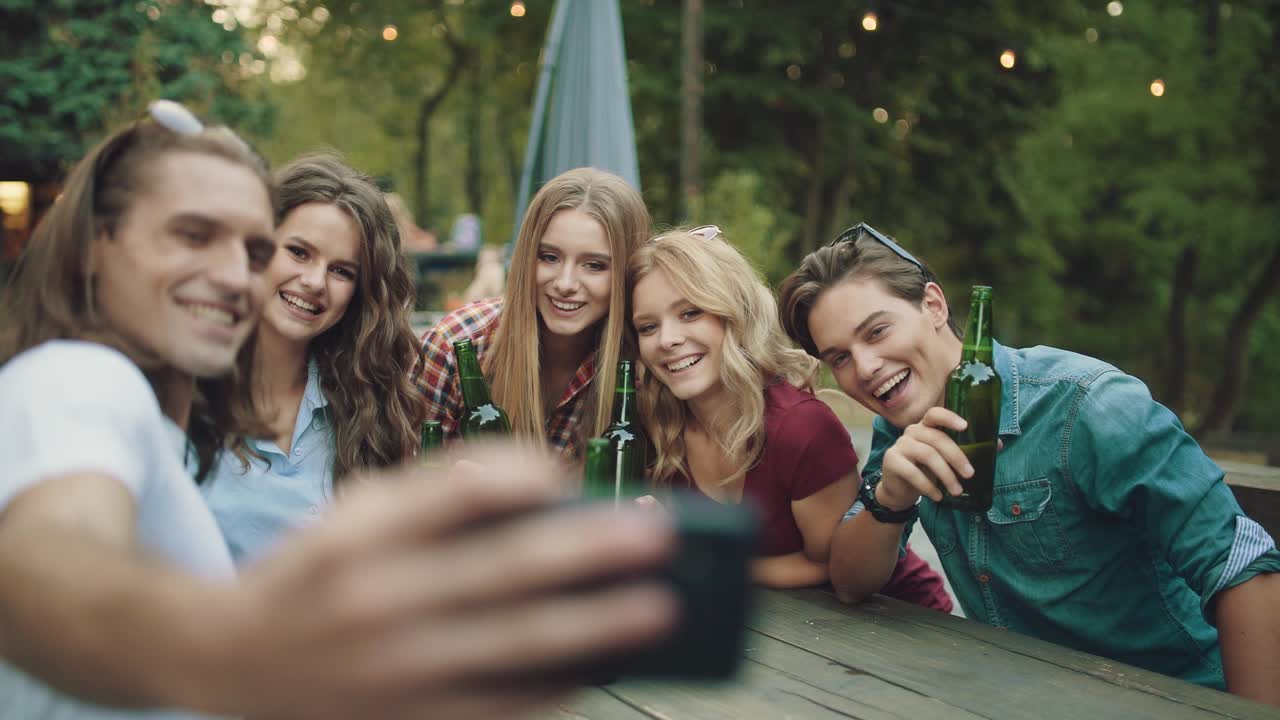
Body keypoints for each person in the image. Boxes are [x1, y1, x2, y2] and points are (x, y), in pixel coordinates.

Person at [0, 101, 680, 720]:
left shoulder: (343, 407)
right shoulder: (77, 380)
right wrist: (248, 648)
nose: (238, 273)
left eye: (251, 248)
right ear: (97, 243)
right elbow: (42, 566)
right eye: (192, 235)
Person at [777, 222, 1280, 703]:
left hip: (1171, 695)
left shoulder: (1088, 406)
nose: (865, 368)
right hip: (1026, 694)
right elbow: (849, 583)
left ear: (933, 305)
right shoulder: (901, 424)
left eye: (877, 331)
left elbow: (1241, 564)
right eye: (839, 357)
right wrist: (890, 498)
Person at [628, 226, 951, 608]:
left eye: (690, 312)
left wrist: (702, 559)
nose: (667, 339)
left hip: (898, 623)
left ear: (736, 313)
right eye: (648, 327)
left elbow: (829, 566)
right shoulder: (656, 425)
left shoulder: (799, 427)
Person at [200, 153, 424, 563]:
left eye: (342, 271)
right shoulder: (186, 393)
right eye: (299, 252)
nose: (315, 281)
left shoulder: (367, 406)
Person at [417, 167, 650, 462]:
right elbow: (405, 484)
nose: (565, 283)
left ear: (626, 273)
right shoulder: (455, 346)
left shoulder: (642, 368)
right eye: (549, 257)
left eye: (594, 265)